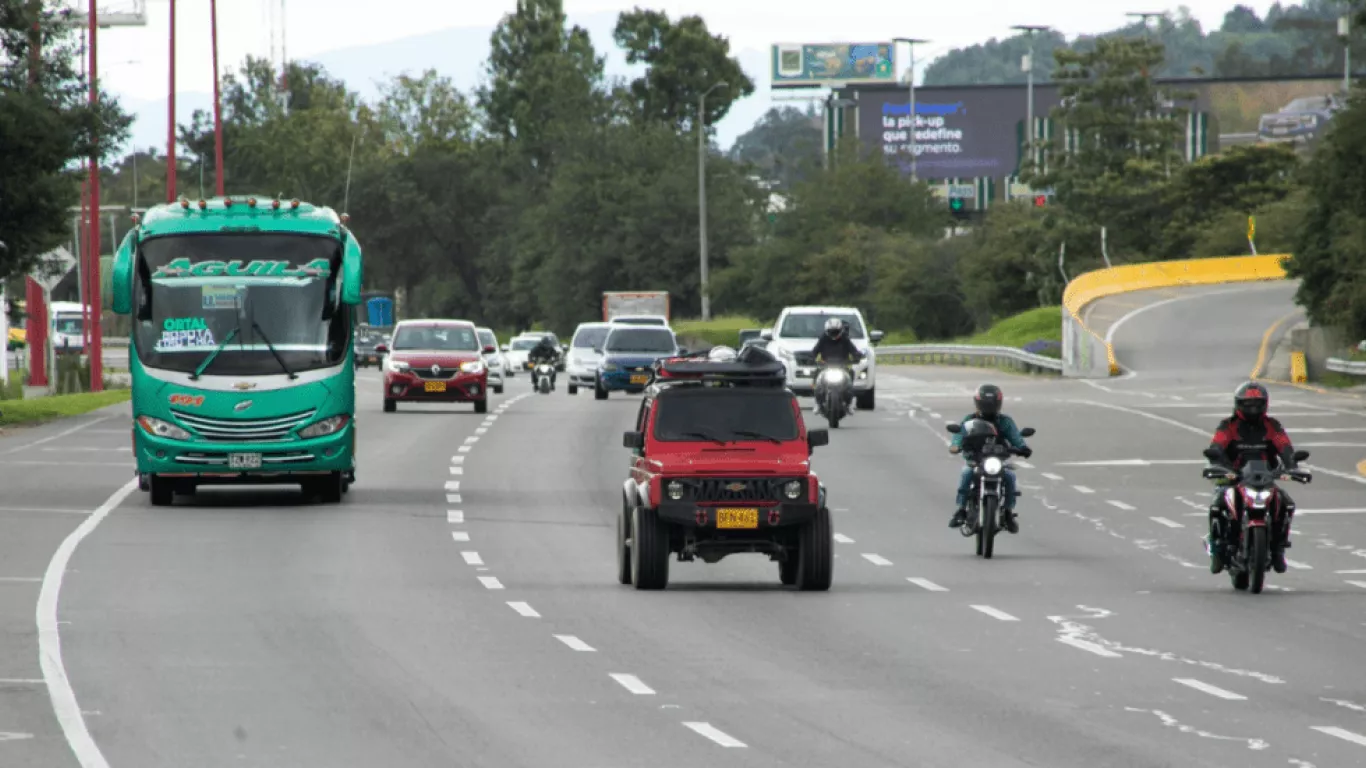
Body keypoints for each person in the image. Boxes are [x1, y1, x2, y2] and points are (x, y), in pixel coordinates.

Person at [1205, 382, 1299, 574]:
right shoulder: (1228, 425)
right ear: (1238, 404)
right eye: (1248, 404)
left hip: (1264, 478)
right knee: (1217, 504)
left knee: (1287, 503)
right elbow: (1217, 446)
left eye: (1257, 404)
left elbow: (1284, 446)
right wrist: (1218, 464)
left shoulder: (1272, 426)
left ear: (1265, 404)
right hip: (1233, 477)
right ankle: (1217, 549)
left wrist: (1291, 466)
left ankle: (1278, 548)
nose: (1253, 409)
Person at [949, 383, 1031, 533]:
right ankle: (961, 510)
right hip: (975, 460)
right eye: (986, 404)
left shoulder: (1005, 421)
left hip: (997, 460)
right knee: (967, 474)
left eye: (992, 403)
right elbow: (960, 434)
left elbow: (1015, 437)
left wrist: (1022, 447)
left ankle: (1008, 512)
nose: (989, 407)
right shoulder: (969, 419)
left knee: (1010, 477)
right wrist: (955, 445)